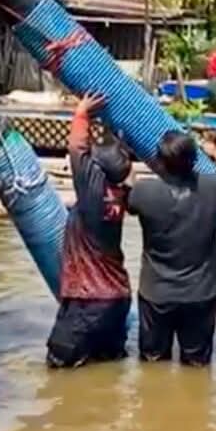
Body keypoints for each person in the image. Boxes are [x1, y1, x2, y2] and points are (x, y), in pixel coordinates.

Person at [127, 131, 216, 366]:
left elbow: (127, 193)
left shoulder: (143, 193)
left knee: (152, 366)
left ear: (159, 161)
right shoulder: (213, 188)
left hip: (157, 293)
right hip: (200, 292)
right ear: (195, 160)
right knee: (197, 366)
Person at [46, 92, 133, 369]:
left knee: (58, 368)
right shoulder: (123, 192)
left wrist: (81, 113)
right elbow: (116, 159)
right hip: (116, 300)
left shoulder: (93, 192)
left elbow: (77, 150)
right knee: (108, 369)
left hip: (88, 300)